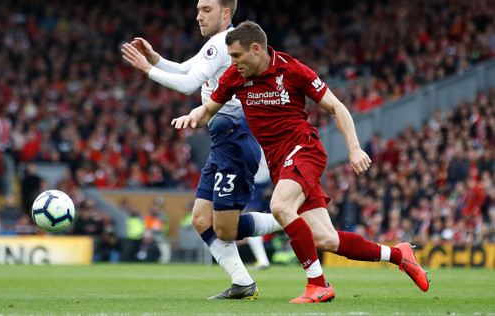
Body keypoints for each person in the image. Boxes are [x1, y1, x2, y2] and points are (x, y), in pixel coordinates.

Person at [171, 20, 430, 303]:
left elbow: (336, 107)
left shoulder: (292, 69)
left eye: (236, 55)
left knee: (280, 206)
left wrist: (354, 149)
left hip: (303, 147)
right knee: (326, 239)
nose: (232, 62)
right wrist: (193, 116)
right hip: (278, 161)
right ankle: (398, 254)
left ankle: (318, 284)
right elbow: (208, 108)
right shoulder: (235, 76)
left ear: (256, 49)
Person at [121, 0, 281, 299]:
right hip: (224, 143)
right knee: (200, 219)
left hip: (235, 142)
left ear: (225, 13)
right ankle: (242, 282)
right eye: (197, 9)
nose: (198, 16)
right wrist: (156, 59)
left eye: (205, 9)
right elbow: (184, 69)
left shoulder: (222, 43)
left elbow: (188, 84)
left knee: (225, 228)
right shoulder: (222, 43)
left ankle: (288, 218)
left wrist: (148, 70)